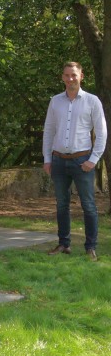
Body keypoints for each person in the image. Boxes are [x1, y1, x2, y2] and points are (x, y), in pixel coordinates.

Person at [43, 61, 107, 262]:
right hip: (59, 161)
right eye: (67, 75)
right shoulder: (55, 101)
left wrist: (93, 160)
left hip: (82, 160)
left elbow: (102, 133)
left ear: (81, 76)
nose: (70, 79)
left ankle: (90, 247)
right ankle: (64, 243)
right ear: (62, 77)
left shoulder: (92, 101)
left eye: (74, 75)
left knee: (88, 205)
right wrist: (47, 159)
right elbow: (49, 132)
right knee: (61, 204)